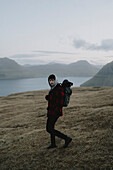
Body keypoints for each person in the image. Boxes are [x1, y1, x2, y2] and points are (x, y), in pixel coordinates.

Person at [45, 74, 72, 149]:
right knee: (51, 128)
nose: (51, 82)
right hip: (52, 111)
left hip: (55, 112)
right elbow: (53, 98)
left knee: (49, 128)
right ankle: (53, 144)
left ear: (55, 80)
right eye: (50, 80)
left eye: (53, 80)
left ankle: (66, 138)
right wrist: (49, 98)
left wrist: (50, 98)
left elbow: (59, 101)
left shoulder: (59, 88)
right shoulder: (53, 88)